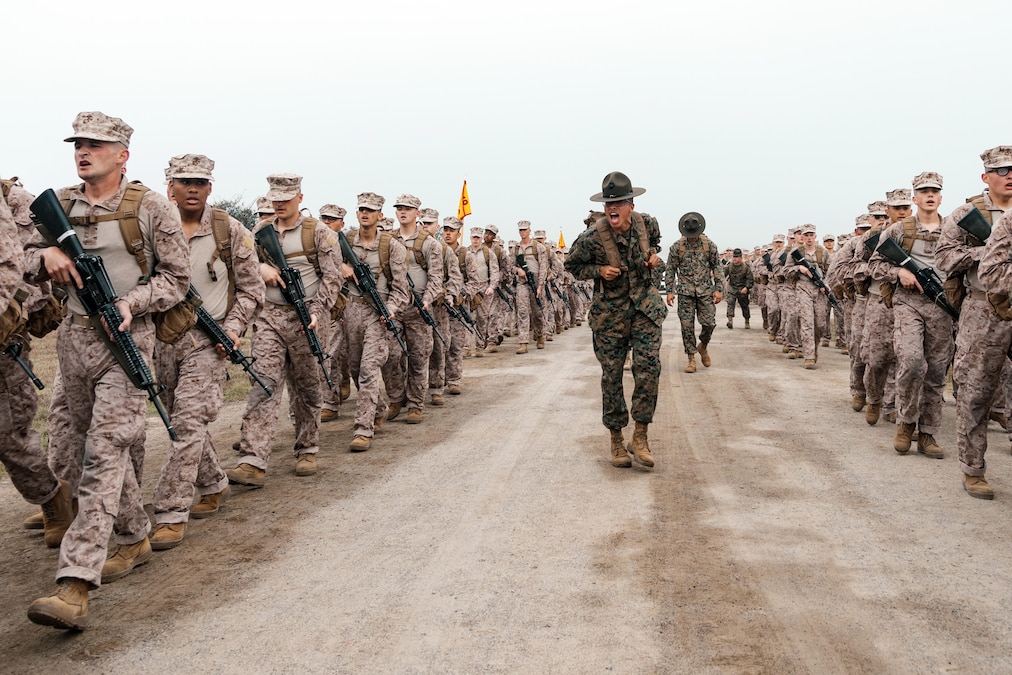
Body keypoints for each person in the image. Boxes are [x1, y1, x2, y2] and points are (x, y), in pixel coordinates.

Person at [27, 111, 191, 630]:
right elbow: (19, 253)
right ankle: (134, 534)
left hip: (128, 337)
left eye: (96, 144)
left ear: (122, 153)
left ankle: (75, 583)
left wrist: (135, 302)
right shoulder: (59, 203)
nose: (83, 151)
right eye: (78, 143)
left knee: (107, 449)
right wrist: (47, 254)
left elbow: (177, 279)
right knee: (76, 448)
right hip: (74, 338)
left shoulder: (152, 207)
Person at [146, 154, 265, 550]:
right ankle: (214, 482)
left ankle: (170, 512)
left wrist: (232, 330)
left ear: (210, 187)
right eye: (184, 181)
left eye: (199, 182)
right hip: (160, 339)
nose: (192, 188)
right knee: (183, 422)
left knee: (187, 422)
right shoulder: (151, 226)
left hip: (207, 342)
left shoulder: (229, 230)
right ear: (170, 186)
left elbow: (252, 290)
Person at [228, 173, 343, 487]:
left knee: (307, 387)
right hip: (270, 317)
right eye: (274, 198)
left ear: (300, 198)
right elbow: (241, 265)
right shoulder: (259, 233)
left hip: (308, 319)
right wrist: (260, 267)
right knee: (263, 383)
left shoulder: (319, 234)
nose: (279, 203)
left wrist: (318, 312)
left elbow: (333, 279)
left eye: (285, 198)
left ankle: (307, 447)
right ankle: (252, 459)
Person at [565, 171, 666, 468]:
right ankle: (616, 440)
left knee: (648, 370)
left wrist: (653, 257)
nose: (614, 207)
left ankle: (641, 436)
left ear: (631, 205)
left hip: (645, 310)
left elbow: (657, 246)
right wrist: (598, 271)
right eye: (609, 202)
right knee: (612, 377)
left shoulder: (648, 224)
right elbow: (572, 264)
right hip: (609, 316)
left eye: (619, 202)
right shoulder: (592, 237)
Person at [1, 177, 74, 547]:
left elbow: (18, 268)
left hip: (4, 332)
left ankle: (51, 496)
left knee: (8, 435)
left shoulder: (12, 200)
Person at [944, 147, 1012, 497]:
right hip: (983, 309)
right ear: (986, 177)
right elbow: (945, 257)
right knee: (976, 391)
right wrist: (986, 252)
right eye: (1001, 169)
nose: (1009, 174)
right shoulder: (966, 214)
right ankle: (973, 469)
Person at [869, 173, 951, 458]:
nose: (930, 195)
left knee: (937, 371)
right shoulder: (897, 231)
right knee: (912, 361)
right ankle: (905, 422)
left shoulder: (954, 228)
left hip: (943, 307)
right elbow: (875, 266)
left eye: (935, 191)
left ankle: (927, 433)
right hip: (908, 303)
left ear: (941, 197)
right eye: (924, 191)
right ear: (915, 198)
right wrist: (899, 271)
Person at [343, 192, 408, 451]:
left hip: (377, 315)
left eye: (371, 210)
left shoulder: (391, 246)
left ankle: (363, 428)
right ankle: (378, 408)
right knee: (355, 370)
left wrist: (390, 309)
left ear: (380, 215)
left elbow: (401, 289)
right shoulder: (345, 241)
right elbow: (325, 268)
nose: (365, 214)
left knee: (370, 369)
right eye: (361, 209)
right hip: (350, 311)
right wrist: (341, 268)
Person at [383, 194, 442, 424]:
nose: (402, 212)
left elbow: (436, 277)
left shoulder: (429, 243)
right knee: (391, 355)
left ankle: (416, 403)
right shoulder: (387, 240)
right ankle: (396, 398)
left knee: (419, 357)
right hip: (394, 307)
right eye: (399, 208)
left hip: (419, 308)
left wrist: (426, 301)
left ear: (417, 213)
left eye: (408, 208)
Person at [664, 212, 721, 373]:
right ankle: (691, 358)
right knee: (687, 326)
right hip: (685, 293)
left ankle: (703, 346)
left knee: (709, 323)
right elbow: (670, 269)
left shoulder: (709, 245)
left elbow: (717, 267)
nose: (692, 238)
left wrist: (718, 289)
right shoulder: (677, 247)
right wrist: (670, 291)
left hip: (705, 292)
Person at [318, 203, 350, 419]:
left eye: (331, 219)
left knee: (342, 354)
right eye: (324, 218)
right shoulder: (315, 242)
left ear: (342, 223)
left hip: (348, 307)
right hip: (323, 308)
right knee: (328, 353)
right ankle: (330, 399)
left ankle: (338, 389)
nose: (327, 222)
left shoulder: (348, 246)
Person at [785, 224, 829, 369]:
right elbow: (786, 271)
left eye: (812, 235)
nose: (809, 238)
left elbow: (831, 272)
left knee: (820, 323)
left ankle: (814, 346)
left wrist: (826, 285)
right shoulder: (796, 252)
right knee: (807, 321)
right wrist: (799, 268)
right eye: (806, 235)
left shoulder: (823, 253)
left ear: (815, 237)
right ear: (802, 237)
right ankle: (809, 355)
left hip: (819, 290)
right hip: (803, 288)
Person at [514, 221, 548, 353]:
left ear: (529, 231)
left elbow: (544, 267)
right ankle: (523, 342)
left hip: (536, 280)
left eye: (524, 230)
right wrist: (518, 270)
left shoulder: (538, 247)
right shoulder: (516, 248)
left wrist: (540, 286)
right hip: (522, 283)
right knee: (522, 311)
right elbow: (510, 266)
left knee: (537, 312)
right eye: (520, 230)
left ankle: (539, 335)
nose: (522, 232)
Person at [724, 247, 753, 329]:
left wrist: (746, 288)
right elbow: (723, 275)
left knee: (745, 306)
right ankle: (730, 320)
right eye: (734, 257)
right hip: (732, 288)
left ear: (740, 257)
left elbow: (750, 279)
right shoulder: (729, 267)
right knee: (730, 304)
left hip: (742, 289)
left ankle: (747, 321)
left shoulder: (745, 268)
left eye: (736, 257)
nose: (735, 258)